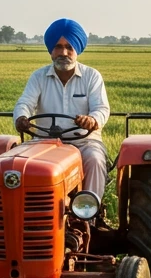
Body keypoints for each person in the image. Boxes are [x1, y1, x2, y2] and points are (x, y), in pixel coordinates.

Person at [12, 18, 110, 200]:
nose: (63, 52)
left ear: (77, 51)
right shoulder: (39, 77)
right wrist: (21, 117)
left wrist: (92, 120)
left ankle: (88, 213)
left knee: (95, 160)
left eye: (69, 47)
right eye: (58, 47)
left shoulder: (91, 76)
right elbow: (25, 102)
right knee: (19, 165)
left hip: (84, 141)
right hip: (44, 141)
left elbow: (101, 108)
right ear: (51, 51)